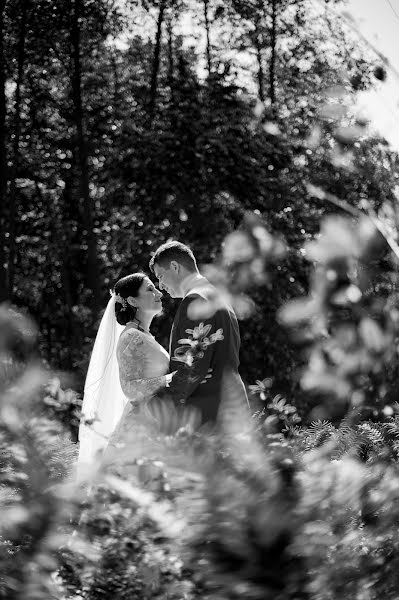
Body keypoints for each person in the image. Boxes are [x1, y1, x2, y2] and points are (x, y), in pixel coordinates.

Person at [77, 272, 174, 474]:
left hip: (154, 421)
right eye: (150, 289)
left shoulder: (143, 335)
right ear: (132, 301)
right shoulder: (131, 337)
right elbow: (130, 387)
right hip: (139, 429)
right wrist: (169, 379)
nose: (159, 293)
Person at [150, 241, 248, 424]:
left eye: (161, 276)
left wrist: (155, 408)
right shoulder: (217, 297)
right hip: (231, 408)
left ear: (174, 266)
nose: (161, 286)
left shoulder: (195, 301)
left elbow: (191, 369)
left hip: (207, 414)